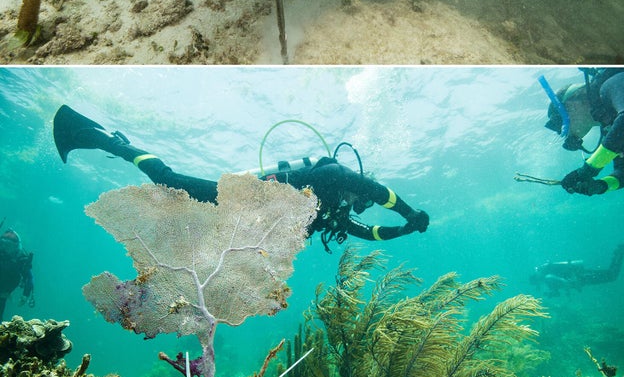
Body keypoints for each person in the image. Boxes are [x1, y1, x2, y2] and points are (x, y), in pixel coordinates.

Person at [52, 105, 429, 252]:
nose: (355, 205)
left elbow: (369, 233)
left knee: (178, 214)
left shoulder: (333, 208)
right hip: (240, 198)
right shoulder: (333, 176)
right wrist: (410, 213)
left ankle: (113, 143)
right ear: (354, 184)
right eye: (356, 198)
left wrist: (404, 231)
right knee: (169, 181)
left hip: (247, 224)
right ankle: (105, 140)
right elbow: (378, 192)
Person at [543, 68, 624, 196]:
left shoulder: (610, 86)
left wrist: (588, 170)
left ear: (572, 101)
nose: (563, 133)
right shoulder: (609, 127)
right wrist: (601, 185)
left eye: (559, 121)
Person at [528, 242, 624, 296]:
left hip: (582, 278)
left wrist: (566, 286)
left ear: (537, 280)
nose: (539, 285)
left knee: (612, 276)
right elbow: (559, 284)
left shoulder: (548, 278)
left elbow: (563, 282)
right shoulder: (548, 277)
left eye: (537, 283)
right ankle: (619, 252)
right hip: (581, 274)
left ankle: (620, 251)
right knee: (610, 274)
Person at [0, 229, 35, 320]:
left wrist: (25, 295)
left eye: (8, 245)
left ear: (15, 246)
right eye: (2, 244)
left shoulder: (21, 260)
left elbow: (29, 278)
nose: (4, 248)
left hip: (3, 294)